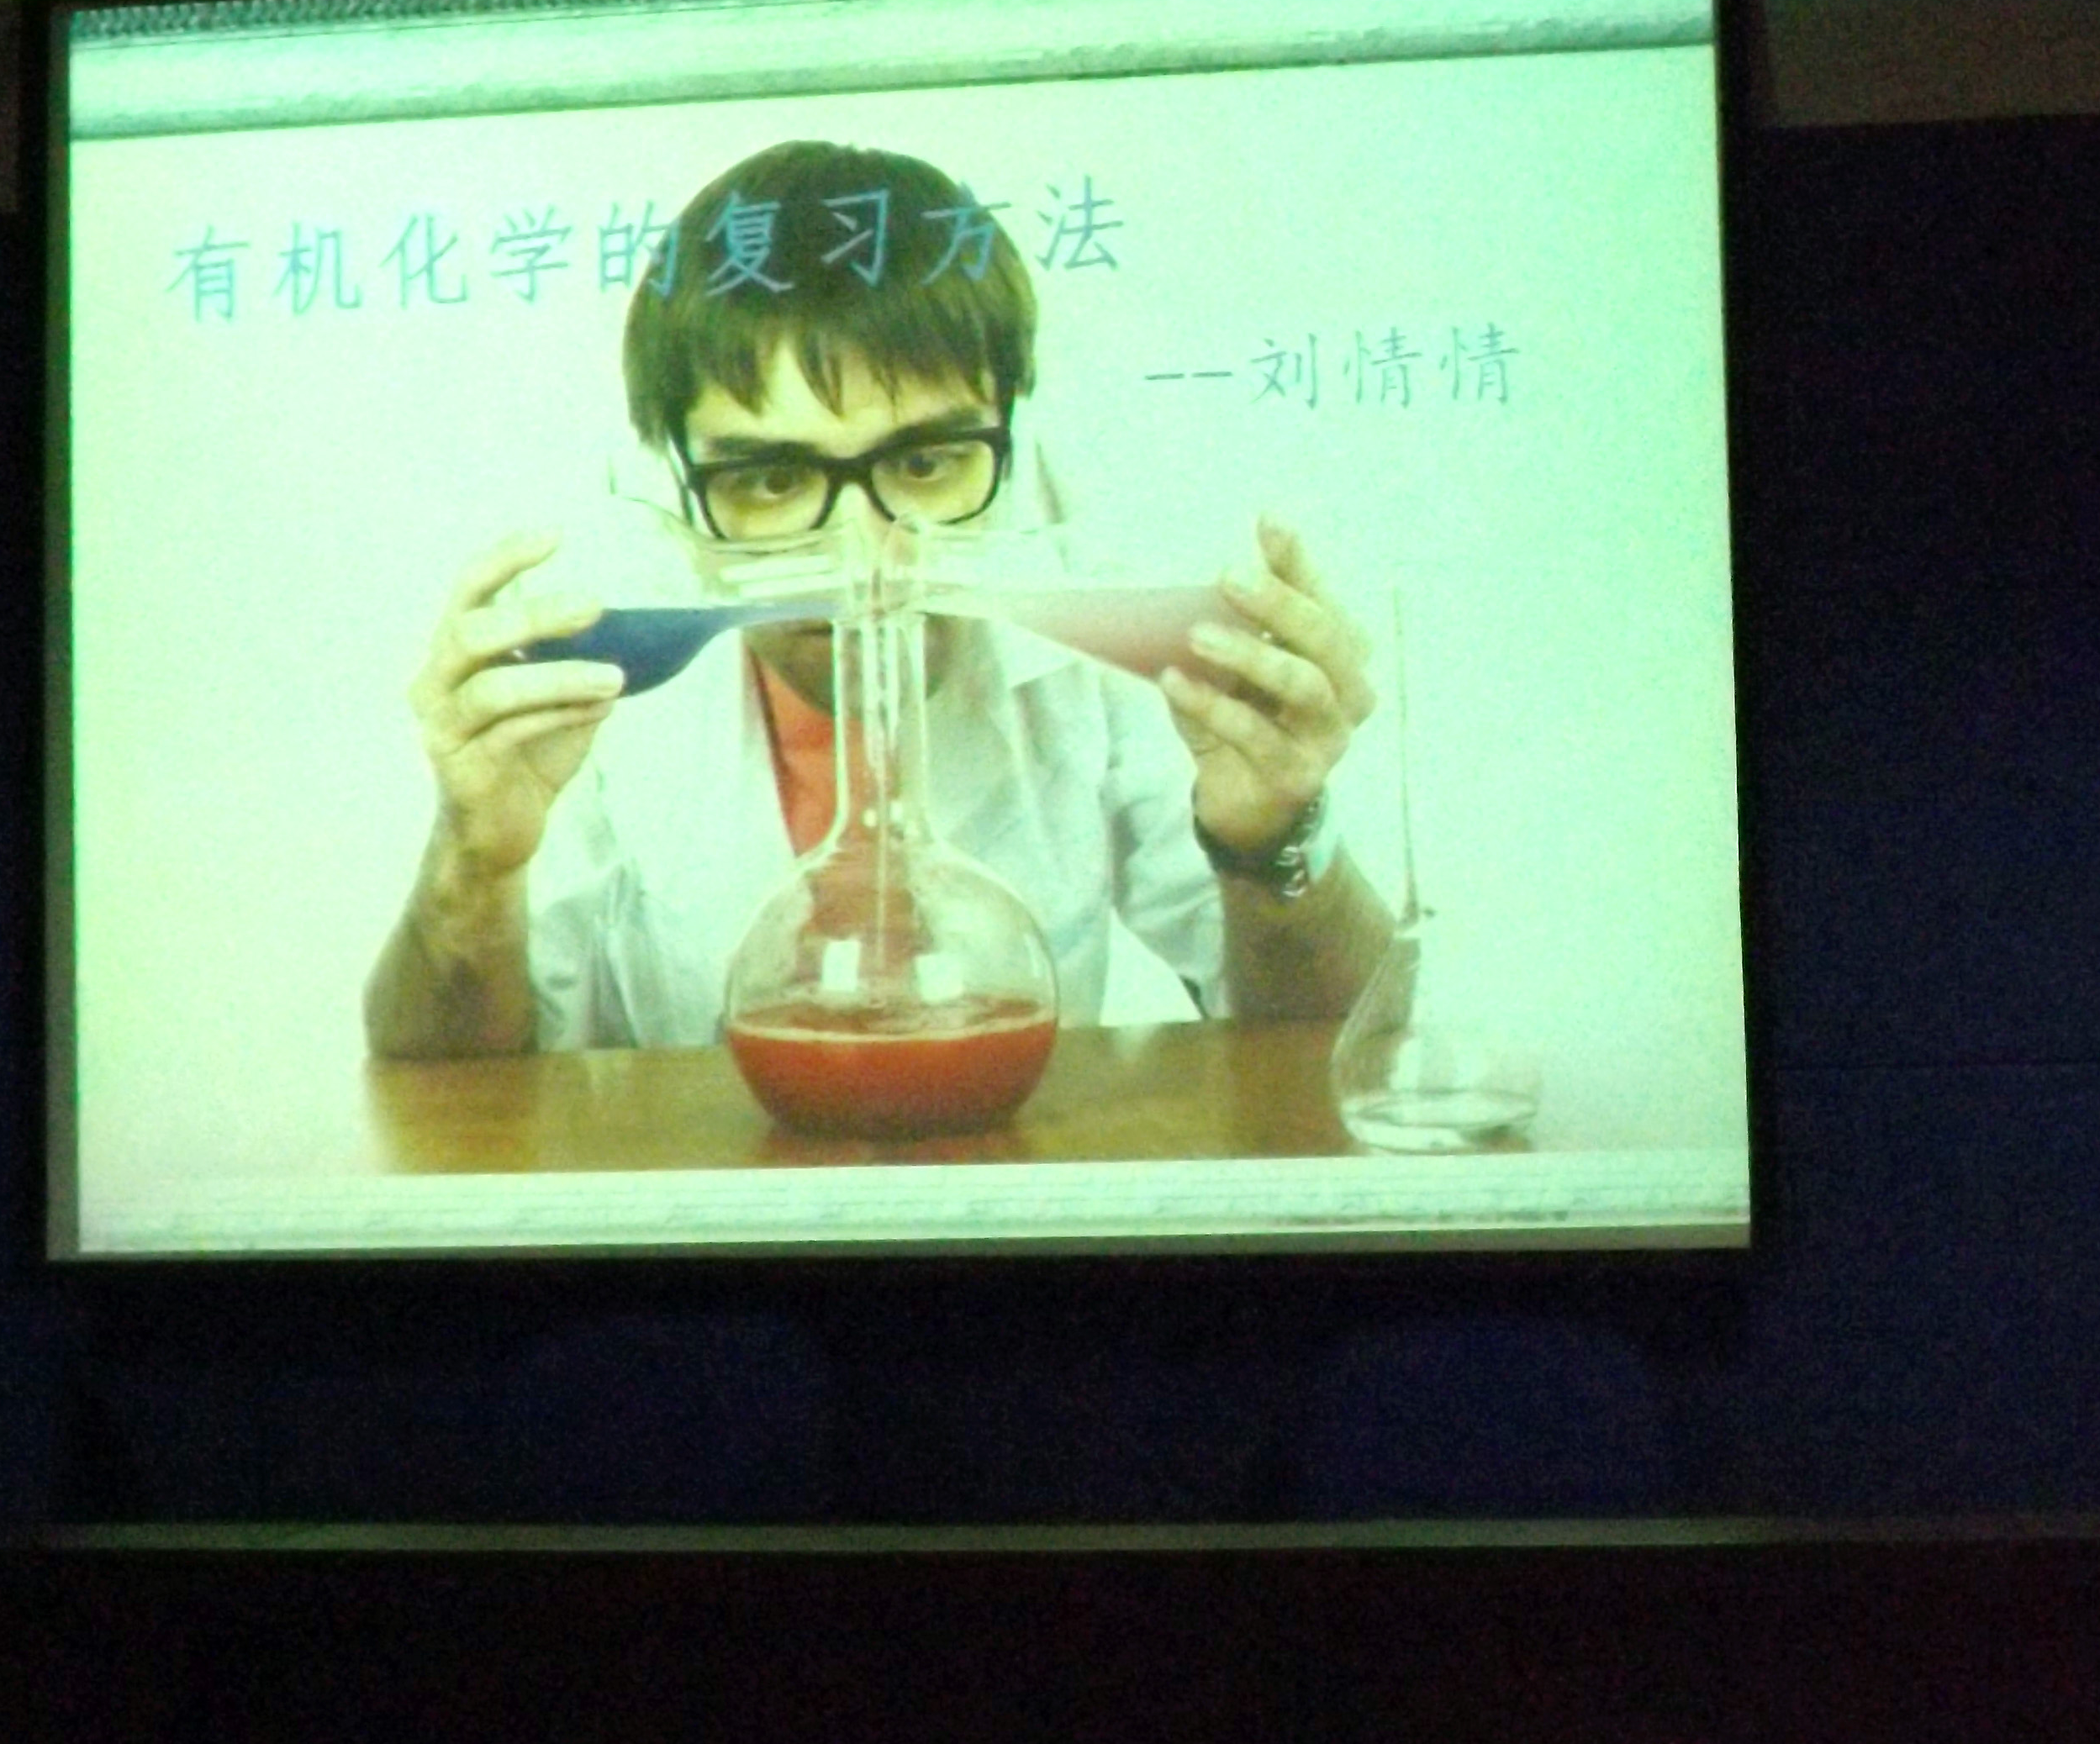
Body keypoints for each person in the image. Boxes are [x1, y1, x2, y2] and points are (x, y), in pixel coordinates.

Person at [366, 138, 1393, 1060]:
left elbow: (1345, 1052)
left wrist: (1272, 838)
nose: (865, 559)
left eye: (926, 464)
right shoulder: (595, 657)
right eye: (772, 480)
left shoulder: (1100, 622)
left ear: (1007, 436)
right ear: (676, 484)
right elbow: (445, 1101)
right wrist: (472, 866)